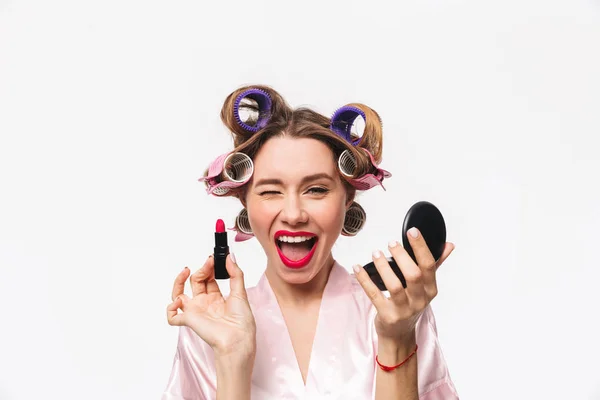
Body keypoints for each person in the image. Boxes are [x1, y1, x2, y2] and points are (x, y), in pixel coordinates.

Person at [162, 85, 459, 400]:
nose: (293, 214)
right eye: (270, 191)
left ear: (347, 199)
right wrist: (233, 359)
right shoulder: (211, 326)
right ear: (245, 201)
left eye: (316, 189)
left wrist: (397, 340)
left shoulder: (397, 312)